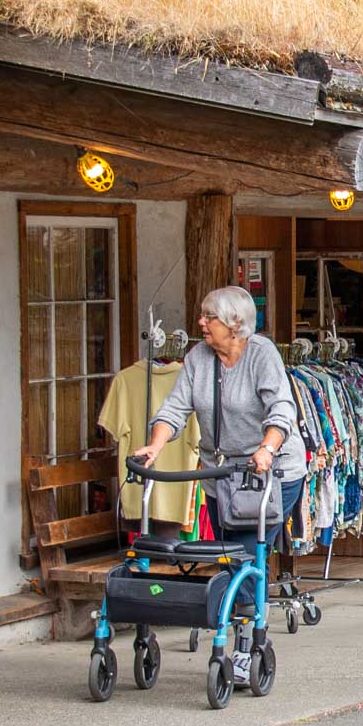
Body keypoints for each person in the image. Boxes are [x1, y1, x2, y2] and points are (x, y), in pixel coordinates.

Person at [133, 285, 307, 684]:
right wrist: (156, 446)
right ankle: (238, 631)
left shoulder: (262, 354)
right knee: (230, 555)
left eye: (207, 317)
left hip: (270, 472)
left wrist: (266, 449)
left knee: (246, 555)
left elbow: (281, 407)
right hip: (221, 475)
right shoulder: (198, 357)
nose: (200, 323)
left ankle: (246, 647)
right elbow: (176, 407)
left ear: (233, 324)